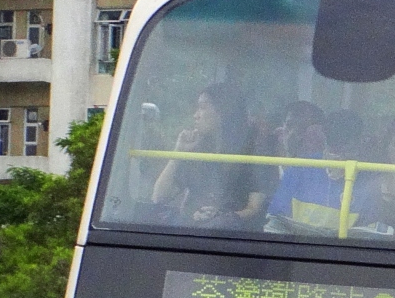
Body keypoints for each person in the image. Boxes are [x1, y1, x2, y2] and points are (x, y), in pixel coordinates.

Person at [151, 83, 270, 227]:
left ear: (223, 112)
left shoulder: (253, 154)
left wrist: (222, 217)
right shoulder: (197, 150)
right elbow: (159, 196)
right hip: (188, 232)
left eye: (202, 107)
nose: (196, 115)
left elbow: (254, 209)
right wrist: (178, 153)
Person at [264, 110, 381, 235]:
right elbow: (275, 223)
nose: (339, 157)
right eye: (333, 148)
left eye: (347, 150)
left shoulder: (369, 181)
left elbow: (370, 234)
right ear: (325, 139)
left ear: (359, 145)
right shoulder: (299, 169)